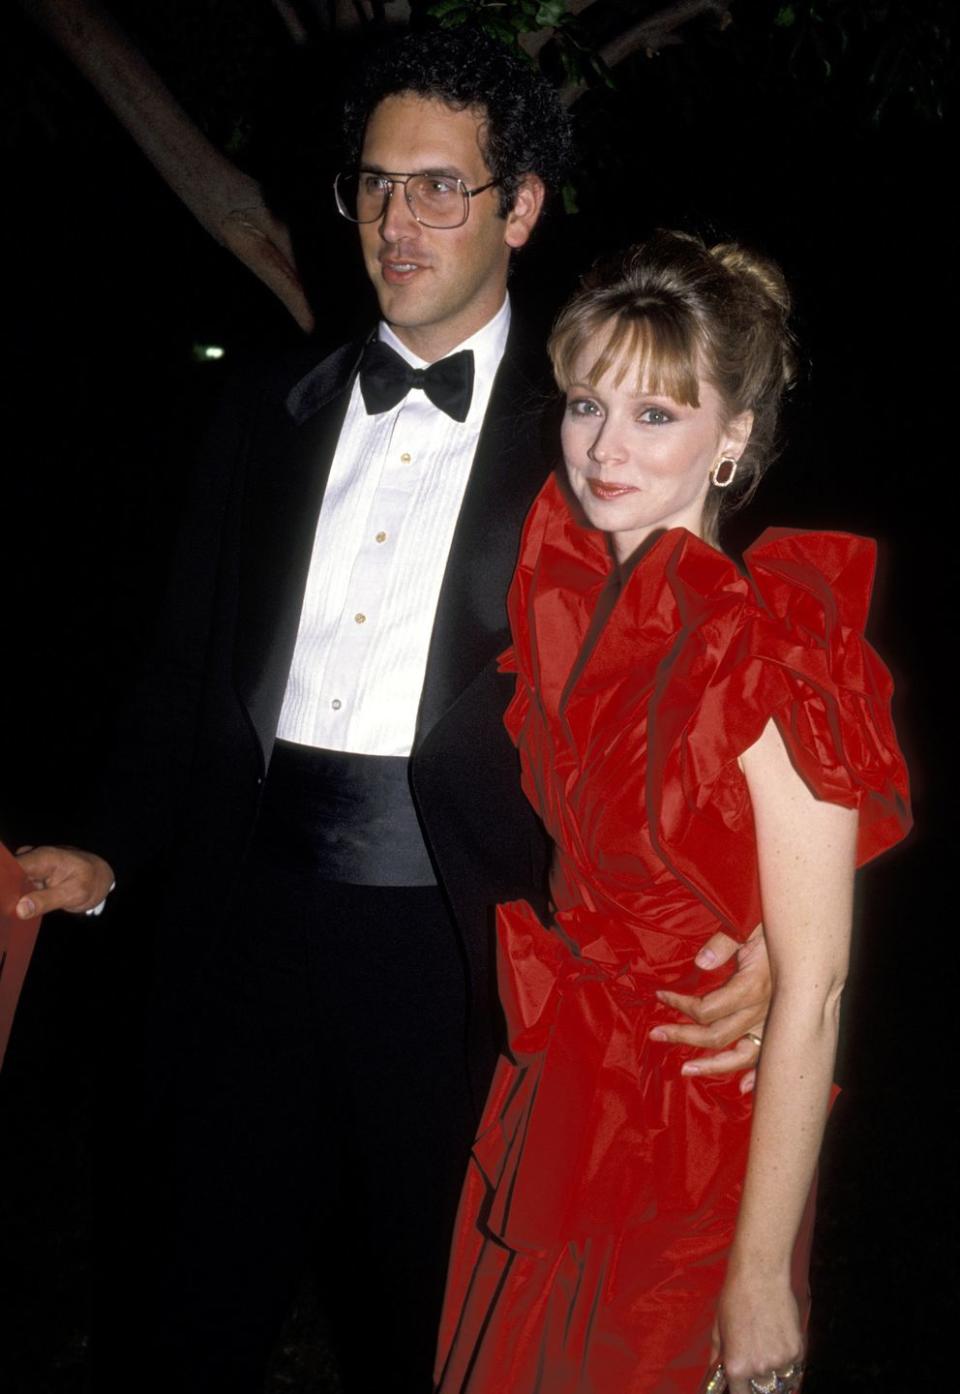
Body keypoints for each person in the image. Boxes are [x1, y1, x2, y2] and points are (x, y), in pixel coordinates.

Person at [15, 37, 770, 1394]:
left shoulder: (592, 433)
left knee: (438, 1333)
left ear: (521, 207)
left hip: (465, 951)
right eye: (375, 187)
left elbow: (699, 688)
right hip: (241, 926)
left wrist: (755, 930)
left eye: (439, 189)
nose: (395, 223)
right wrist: (112, 846)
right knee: (184, 1311)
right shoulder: (264, 401)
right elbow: (186, 663)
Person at [434, 231, 912, 1394]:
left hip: (689, 1136)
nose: (603, 446)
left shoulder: (771, 647)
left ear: (732, 437)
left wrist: (759, 1273)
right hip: (562, 1094)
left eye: (657, 414)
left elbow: (815, 983)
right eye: (588, 402)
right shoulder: (566, 587)